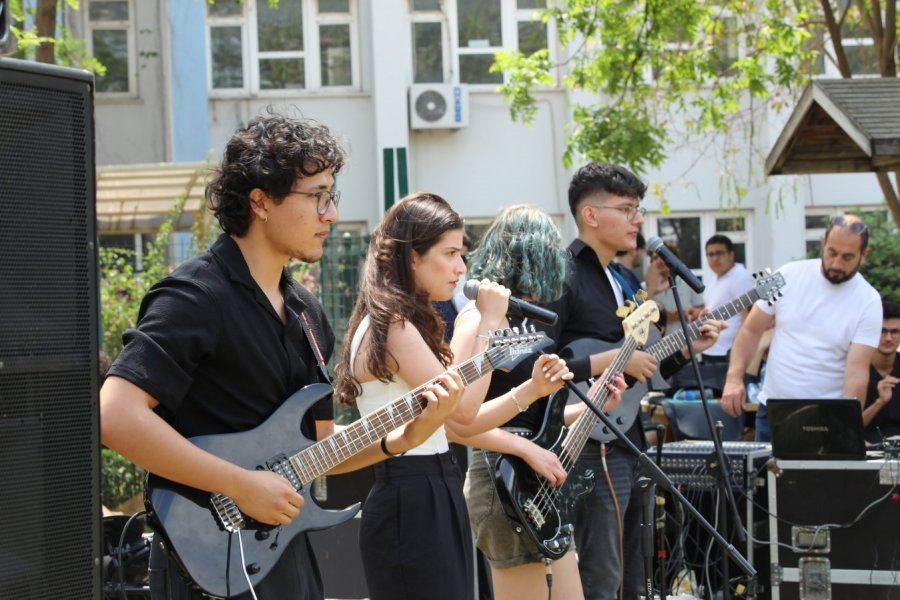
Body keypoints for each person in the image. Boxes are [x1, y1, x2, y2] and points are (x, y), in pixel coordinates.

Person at [99, 114, 462, 600]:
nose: (330, 213)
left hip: (281, 554)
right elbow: (115, 415)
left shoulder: (307, 314)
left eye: (332, 195)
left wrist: (402, 439)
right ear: (261, 202)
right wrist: (241, 485)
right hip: (205, 562)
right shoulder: (193, 297)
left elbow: (320, 453)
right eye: (317, 196)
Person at [333, 193, 574, 600]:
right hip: (408, 492)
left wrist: (528, 390)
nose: (462, 268)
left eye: (462, 254)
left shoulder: (408, 322)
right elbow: (461, 410)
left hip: (434, 484)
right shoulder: (392, 325)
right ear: (413, 257)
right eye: (450, 254)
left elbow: (460, 424)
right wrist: (488, 323)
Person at [546, 163, 725, 600]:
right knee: (601, 571)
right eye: (627, 209)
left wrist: (688, 350)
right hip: (586, 445)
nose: (638, 220)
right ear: (591, 216)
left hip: (628, 439)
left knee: (637, 570)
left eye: (638, 209)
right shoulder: (562, 273)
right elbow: (545, 361)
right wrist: (611, 360)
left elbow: (647, 369)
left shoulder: (625, 281)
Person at [455, 205, 624, 600]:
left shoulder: (527, 323)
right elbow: (460, 419)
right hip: (504, 480)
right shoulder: (477, 319)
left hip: (535, 482)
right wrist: (527, 450)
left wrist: (592, 404)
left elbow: (534, 417)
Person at [720, 214, 882, 442]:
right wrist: (734, 379)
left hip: (827, 418)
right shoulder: (785, 273)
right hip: (773, 411)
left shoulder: (870, 301)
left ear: (863, 256)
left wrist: (846, 427)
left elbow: (857, 373)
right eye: (832, 253)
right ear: (823, 244)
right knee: (764, 478)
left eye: (847, 257)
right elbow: (750, 330)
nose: (836, 264)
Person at [701, 234, 756, 363]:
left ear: (731, 254)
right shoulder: (715, 278)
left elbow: (748, 318)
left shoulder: (741, 277)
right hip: (710, 350)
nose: (714, 258)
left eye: (719, 253)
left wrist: (738, 352)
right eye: (710, 254)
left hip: (728, 354)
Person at [862, 300, 900, 443]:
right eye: (882, 331)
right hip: (868, 449)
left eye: (895, 331)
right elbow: (848, 428)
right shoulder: (856, 369)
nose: (888, 338)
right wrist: (880, 402)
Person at [644, 240, 705, 324]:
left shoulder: (687, 282)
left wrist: (688, 313)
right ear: (651, 263)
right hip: (659, 337)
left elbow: (701, 309)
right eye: (655, 258)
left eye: (662, 257)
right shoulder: (645, 288)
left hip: (686, 335)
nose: (659, 260)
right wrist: (665, 316)